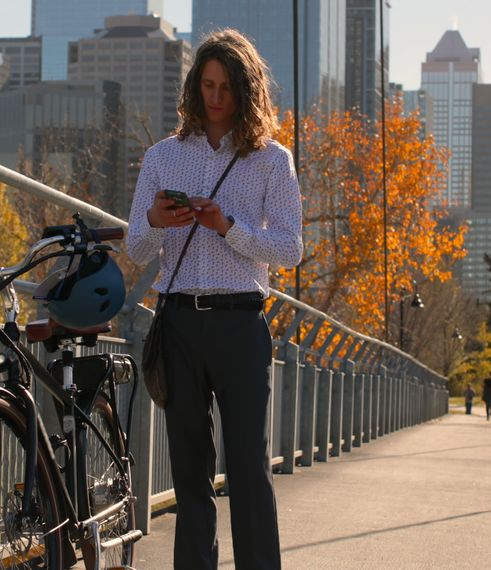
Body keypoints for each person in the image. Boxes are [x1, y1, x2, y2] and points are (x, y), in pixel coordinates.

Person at [127, 29, 300, 570]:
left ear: (246, 91)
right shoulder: (162, 156)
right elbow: (135, 246)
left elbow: (291, 248)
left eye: (226, 87)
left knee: (248, 467)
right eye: (207, 84)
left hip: (240, 325)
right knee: (189, 473)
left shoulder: (272, 160)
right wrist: (157, 219)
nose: (215, 97)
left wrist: (229, 227)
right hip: (177, 321)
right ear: (194, 86)